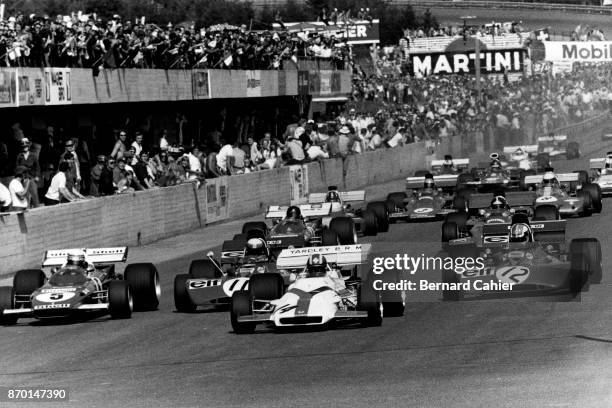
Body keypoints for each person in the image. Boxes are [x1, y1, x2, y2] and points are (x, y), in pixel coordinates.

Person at [15, 137, 41, 207]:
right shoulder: (19, 156)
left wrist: (37, 176)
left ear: (28, 146)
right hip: (23, 178)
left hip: (31, 177)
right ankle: (27, 210)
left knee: (34, 194)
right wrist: (18, 178)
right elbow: (17, 168)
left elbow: (37, 167)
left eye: (26, 145)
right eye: (23, 146)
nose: (25, 147)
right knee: (25, 196)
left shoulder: (33, 155)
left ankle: (37, 209)